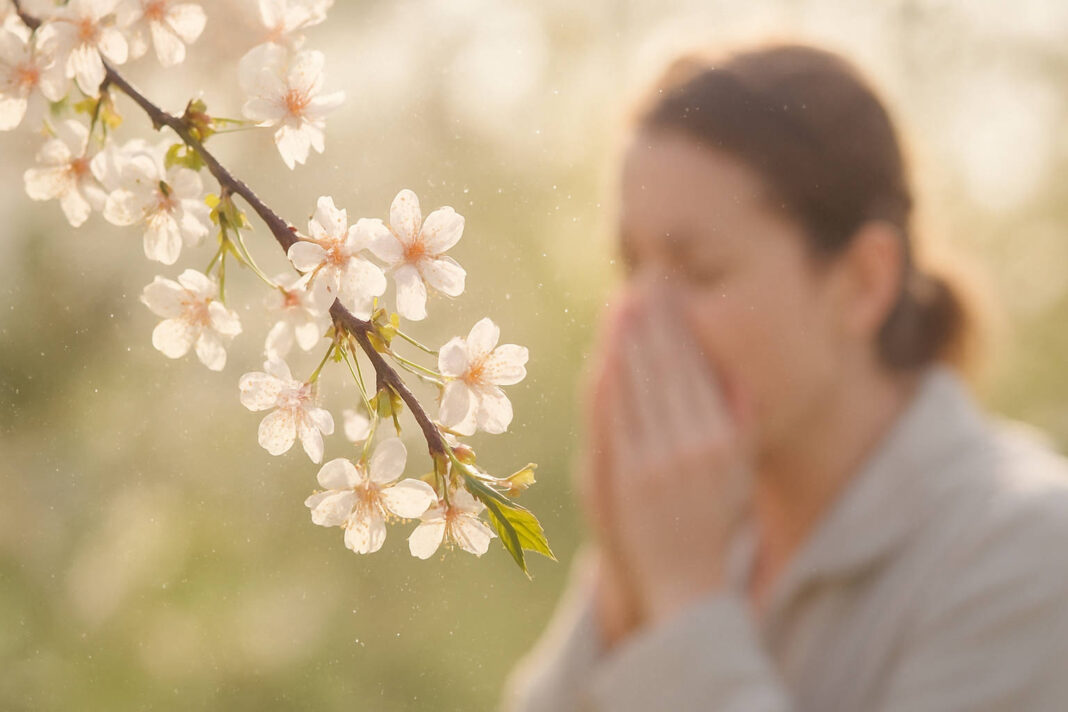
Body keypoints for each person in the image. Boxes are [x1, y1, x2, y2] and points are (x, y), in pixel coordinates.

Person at [502, 42, 1068, 711]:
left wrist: (685, 601)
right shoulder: (705, 519)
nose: (637, 325)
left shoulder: (1025, 554)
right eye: (632, 268)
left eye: (700, 271)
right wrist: (623, 595)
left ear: (863, 282)